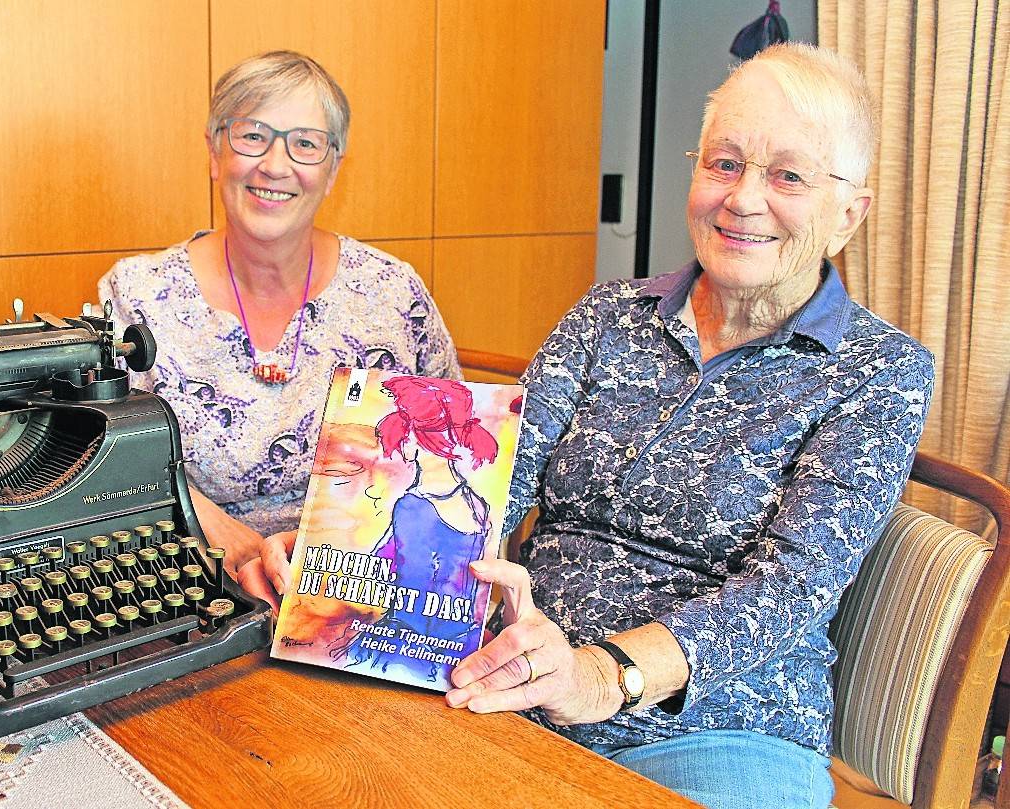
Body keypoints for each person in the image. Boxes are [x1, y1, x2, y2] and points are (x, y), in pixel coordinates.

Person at [440, 43, 934, 809]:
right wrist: (357, 563)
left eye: (788, 176)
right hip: (519, 675)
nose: (743, 199)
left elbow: (790, 586)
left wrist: (605, 674)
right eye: (725, 163)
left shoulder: (878, 371)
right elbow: (493, 483)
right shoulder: (609, 315)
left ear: (847, 215)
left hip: (718, 729)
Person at [98, 51, 460, 582]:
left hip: (366, 582)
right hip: (187, 575)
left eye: (305, 144)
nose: (274, 164)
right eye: (252, 136)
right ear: (215, 150)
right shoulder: (135, 294)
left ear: (334, 168)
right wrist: (222, 536)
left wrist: (326, 558)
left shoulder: (392, 293)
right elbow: (106, 456)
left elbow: (448, 452)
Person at [329, 376, 499, 684]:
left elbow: (413, 587)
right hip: (460, 644)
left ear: (417, 439)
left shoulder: (412, 507)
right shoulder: (478, 504)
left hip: (409, 646)